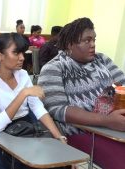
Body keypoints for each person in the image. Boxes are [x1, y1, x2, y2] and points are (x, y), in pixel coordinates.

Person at [38, 17, 125, 169]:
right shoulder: (54, 68)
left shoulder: (102, 60)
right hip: (81, 133)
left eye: (94, 39)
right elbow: (59, 110)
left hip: (115, 126)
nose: (93, 45)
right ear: (70, 44)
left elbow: (123, 84)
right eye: (87, 40)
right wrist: (107, 121)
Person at [0, 33, 67, 169]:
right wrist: (23, 93)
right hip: (5, 132)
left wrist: (59, 137)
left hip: (28, 127)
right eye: (16, 53)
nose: (22, 58)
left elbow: (38, 109)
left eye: (22, 52)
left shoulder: (23, 74)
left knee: (60, 160)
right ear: (0, 56)